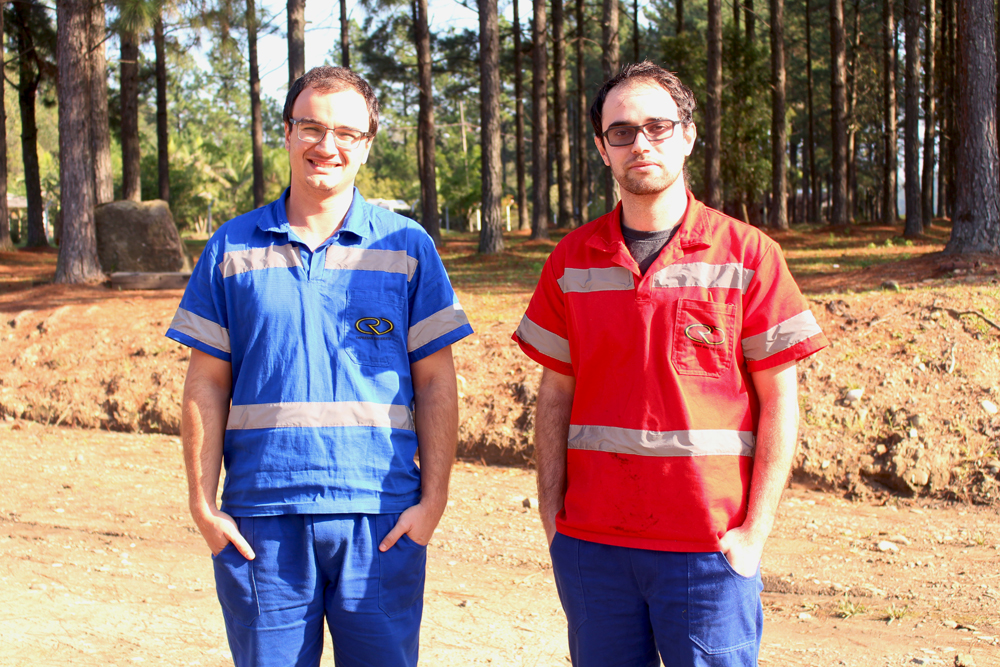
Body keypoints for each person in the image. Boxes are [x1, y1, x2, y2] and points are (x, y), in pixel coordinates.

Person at [513, 61, 829, 667]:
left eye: (658, 126)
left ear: (688, 135)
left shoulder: (749, 256)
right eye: (622, 131)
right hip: (593, 549)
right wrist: (555, 524)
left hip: (708, 550)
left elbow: (780, 400)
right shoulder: (571, 261)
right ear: (602, 148)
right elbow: (554, 397)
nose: (641, 143)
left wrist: (754, 534)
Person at [166, 66, 473, 667]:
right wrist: (203, 506)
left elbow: (437, 382)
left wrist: (432, 501)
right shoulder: (231, 248)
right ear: (286, 133)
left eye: (346, 133)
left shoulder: (407, 246)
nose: (326, 145)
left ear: (367, 144)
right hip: (261, 523)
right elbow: (206, 383)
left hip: (380, 519)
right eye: (311, 126)